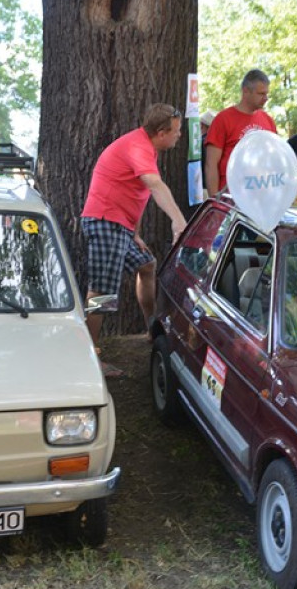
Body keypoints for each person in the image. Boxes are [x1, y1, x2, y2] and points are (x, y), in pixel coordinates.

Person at [81, 103, 188, 372]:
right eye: (176, 131)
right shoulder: (138, 147)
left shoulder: (145, 147)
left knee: (147, 265)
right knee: (102, 291)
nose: (179, 135)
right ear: (161, 132)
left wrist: (135, 233)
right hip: (105, 221)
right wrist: (178, 220)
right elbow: (153, 185)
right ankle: (89, 357)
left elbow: (132, 191)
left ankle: (151, 327)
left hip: (120, 226)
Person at [204, 69, 277, 196]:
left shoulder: (268, 120)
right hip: (230, 197)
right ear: (246, 91)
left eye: (266, 94)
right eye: (261, 94)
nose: (265, 98)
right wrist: (215, 200)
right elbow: (211, 164)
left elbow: (274, 159)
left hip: (260, 196)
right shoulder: (223, 119)